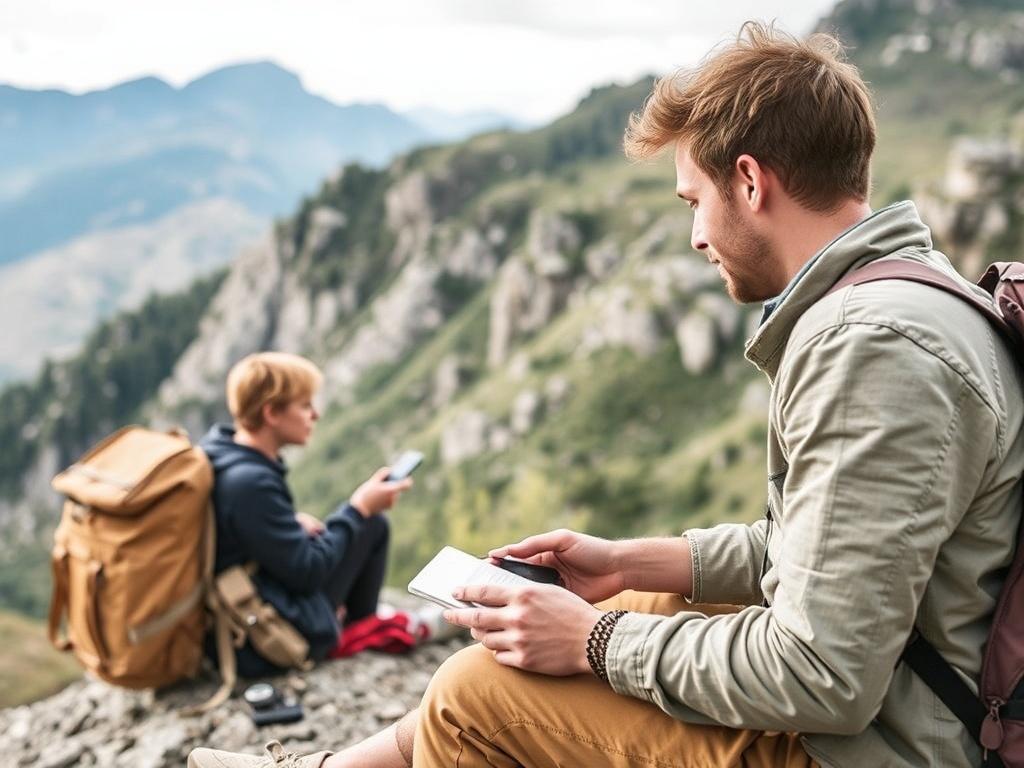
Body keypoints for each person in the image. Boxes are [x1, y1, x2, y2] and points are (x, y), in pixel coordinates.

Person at [188, 22, 1024, 768]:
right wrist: (626, 563)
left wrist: (595, 640)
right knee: (612, 603)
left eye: (694, 202)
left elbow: (823, 674)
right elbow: (835, 553)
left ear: (750, 181)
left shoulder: (869, 346)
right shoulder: (910, 297)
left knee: (476, 698)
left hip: (886, 744)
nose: (697, 236)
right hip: (903, 693)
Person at [198, 351, 417, 677]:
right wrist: (358, 509)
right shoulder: (251, 482)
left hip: (242, 600)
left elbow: (237, 530)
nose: (315, 414)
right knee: (372, 525)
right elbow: (308, 572)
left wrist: (287, 523)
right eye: (304, 406)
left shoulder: (220, 451)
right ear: (271, 412)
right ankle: (356, 633)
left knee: (359, 525)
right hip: (260, 632)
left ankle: (354, 625)